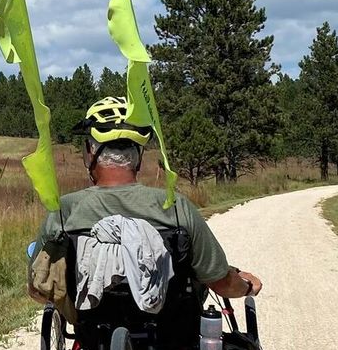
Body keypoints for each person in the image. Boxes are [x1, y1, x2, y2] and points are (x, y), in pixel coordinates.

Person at [33, 97, 261, 303]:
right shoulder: (176, 207)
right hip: (171, 328)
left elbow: (37, 289)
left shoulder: (64, 212)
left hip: (91, 328)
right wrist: (247, 286)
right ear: (138, 155)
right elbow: (220, 282)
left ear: (89, 152)